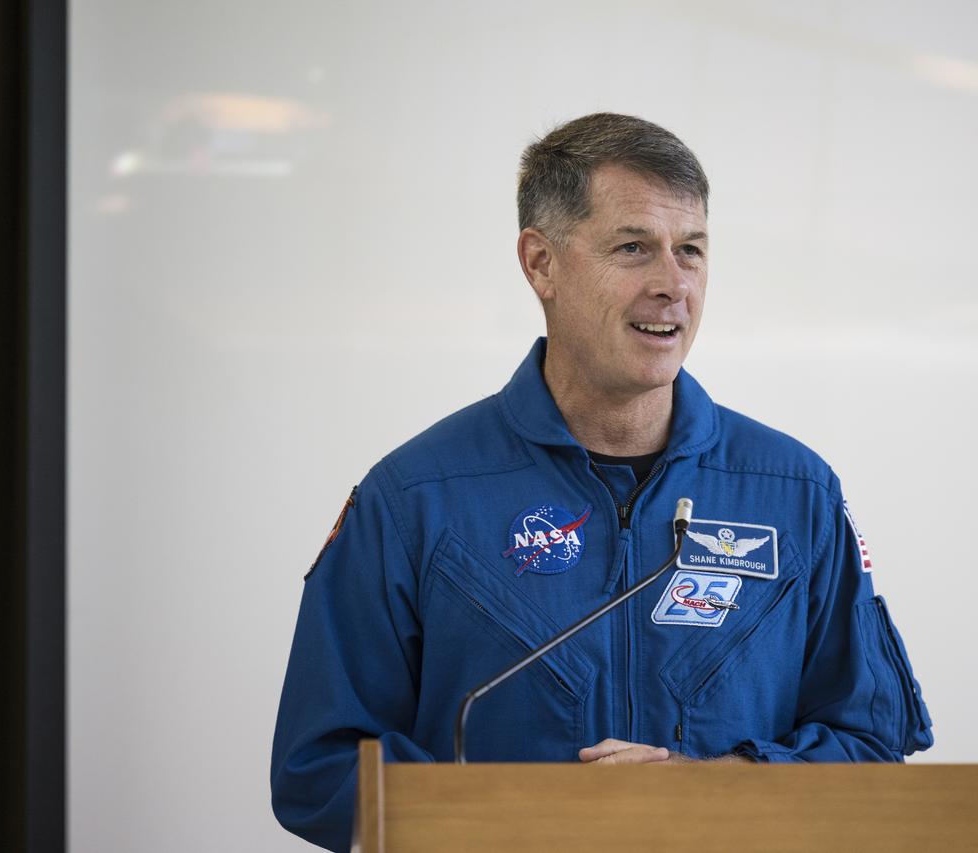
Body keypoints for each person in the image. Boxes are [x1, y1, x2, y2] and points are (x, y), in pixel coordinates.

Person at [271, 113, 933, 851]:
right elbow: (318, 768)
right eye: (633, 248)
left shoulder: (793, 491)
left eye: (691, 251)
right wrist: (533, 815)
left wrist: (713, 787)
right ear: (541, 264)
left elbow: (871, 741)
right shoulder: (417, 497)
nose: (672, 285)